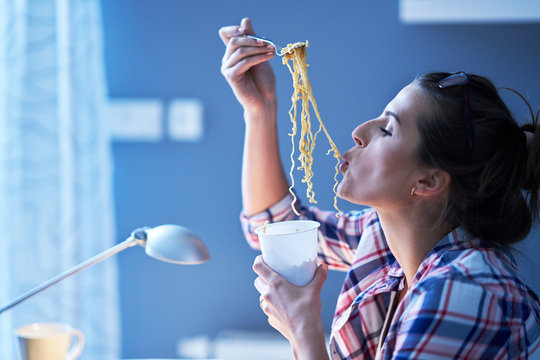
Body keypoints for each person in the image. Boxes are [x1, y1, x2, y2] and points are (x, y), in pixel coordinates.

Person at [219, 17, 540, 360]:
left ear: (427, 181)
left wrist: (302, 328)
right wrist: (260, 108)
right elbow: (272, 227)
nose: (359, 131)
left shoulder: (464, 289)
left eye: (387, 130)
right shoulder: (385, 241)